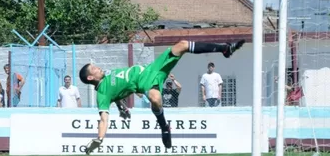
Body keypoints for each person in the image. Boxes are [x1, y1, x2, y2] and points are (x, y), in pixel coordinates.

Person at [79, 39, 245, 154]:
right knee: (156, 99)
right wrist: (99, 139)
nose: (97, 68)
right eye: (94, 69)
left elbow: (117, 92)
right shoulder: (101, 94)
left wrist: (121, 106)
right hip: (145, 83)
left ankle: (225, 48)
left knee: (182, 45)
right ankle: (164, 126)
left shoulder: (107, 78)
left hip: (153, 68)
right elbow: (103, 118)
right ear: (90, 78)